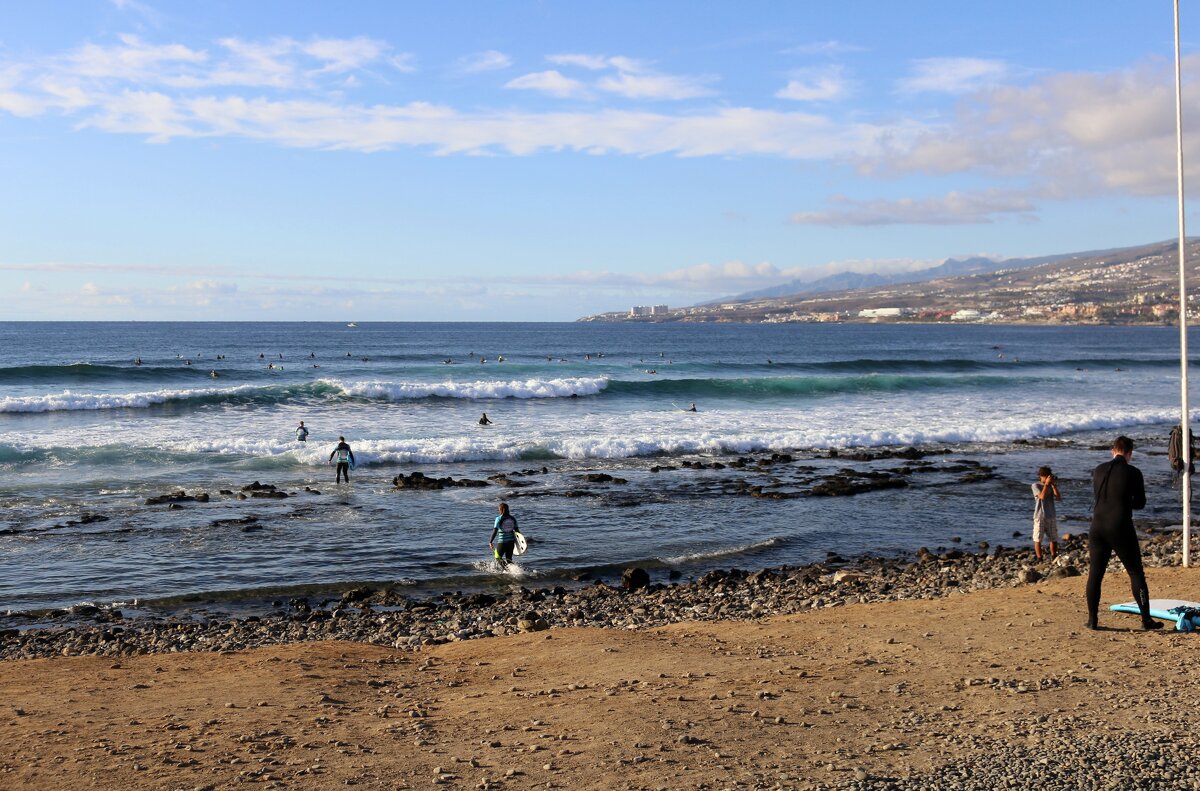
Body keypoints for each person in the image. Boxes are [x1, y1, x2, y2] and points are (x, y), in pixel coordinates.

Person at [1087, 436, 1161, 630]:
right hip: (1120, 526)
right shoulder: (1133, 472)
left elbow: (1099, 496)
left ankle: (1092, 620)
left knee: (1095, 574)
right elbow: (1140, 503)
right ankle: (1146, 620)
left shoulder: (1098, 470)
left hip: (1097, 526)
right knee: (1135, 572)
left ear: (1113, 451)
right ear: (1130, 453)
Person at [1031, 466, 1061, 560]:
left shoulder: (1050, 486)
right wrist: (1046, 485)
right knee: (1038, 539)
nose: (1048, 478)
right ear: (1041, 476)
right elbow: (1042, 496)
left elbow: (1059, 498)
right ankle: (1039, 558)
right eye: (1046, 476)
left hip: (1051, 515)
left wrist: (1053, 485)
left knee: (1054, 538)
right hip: (1039, 516)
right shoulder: (1035, 485)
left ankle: (1054, 556)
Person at [489, 502, 519, 568]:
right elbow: (517, 531)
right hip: (511, 542)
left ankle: (506, 570)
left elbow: (495, 530)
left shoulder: (499, 518)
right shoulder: (513, 518)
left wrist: (490, 541)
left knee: (497, 557)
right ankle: (513, 572)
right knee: (509, 560)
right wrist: (519, 543)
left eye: (499, 509)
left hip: (502, 542)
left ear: (501, 510)